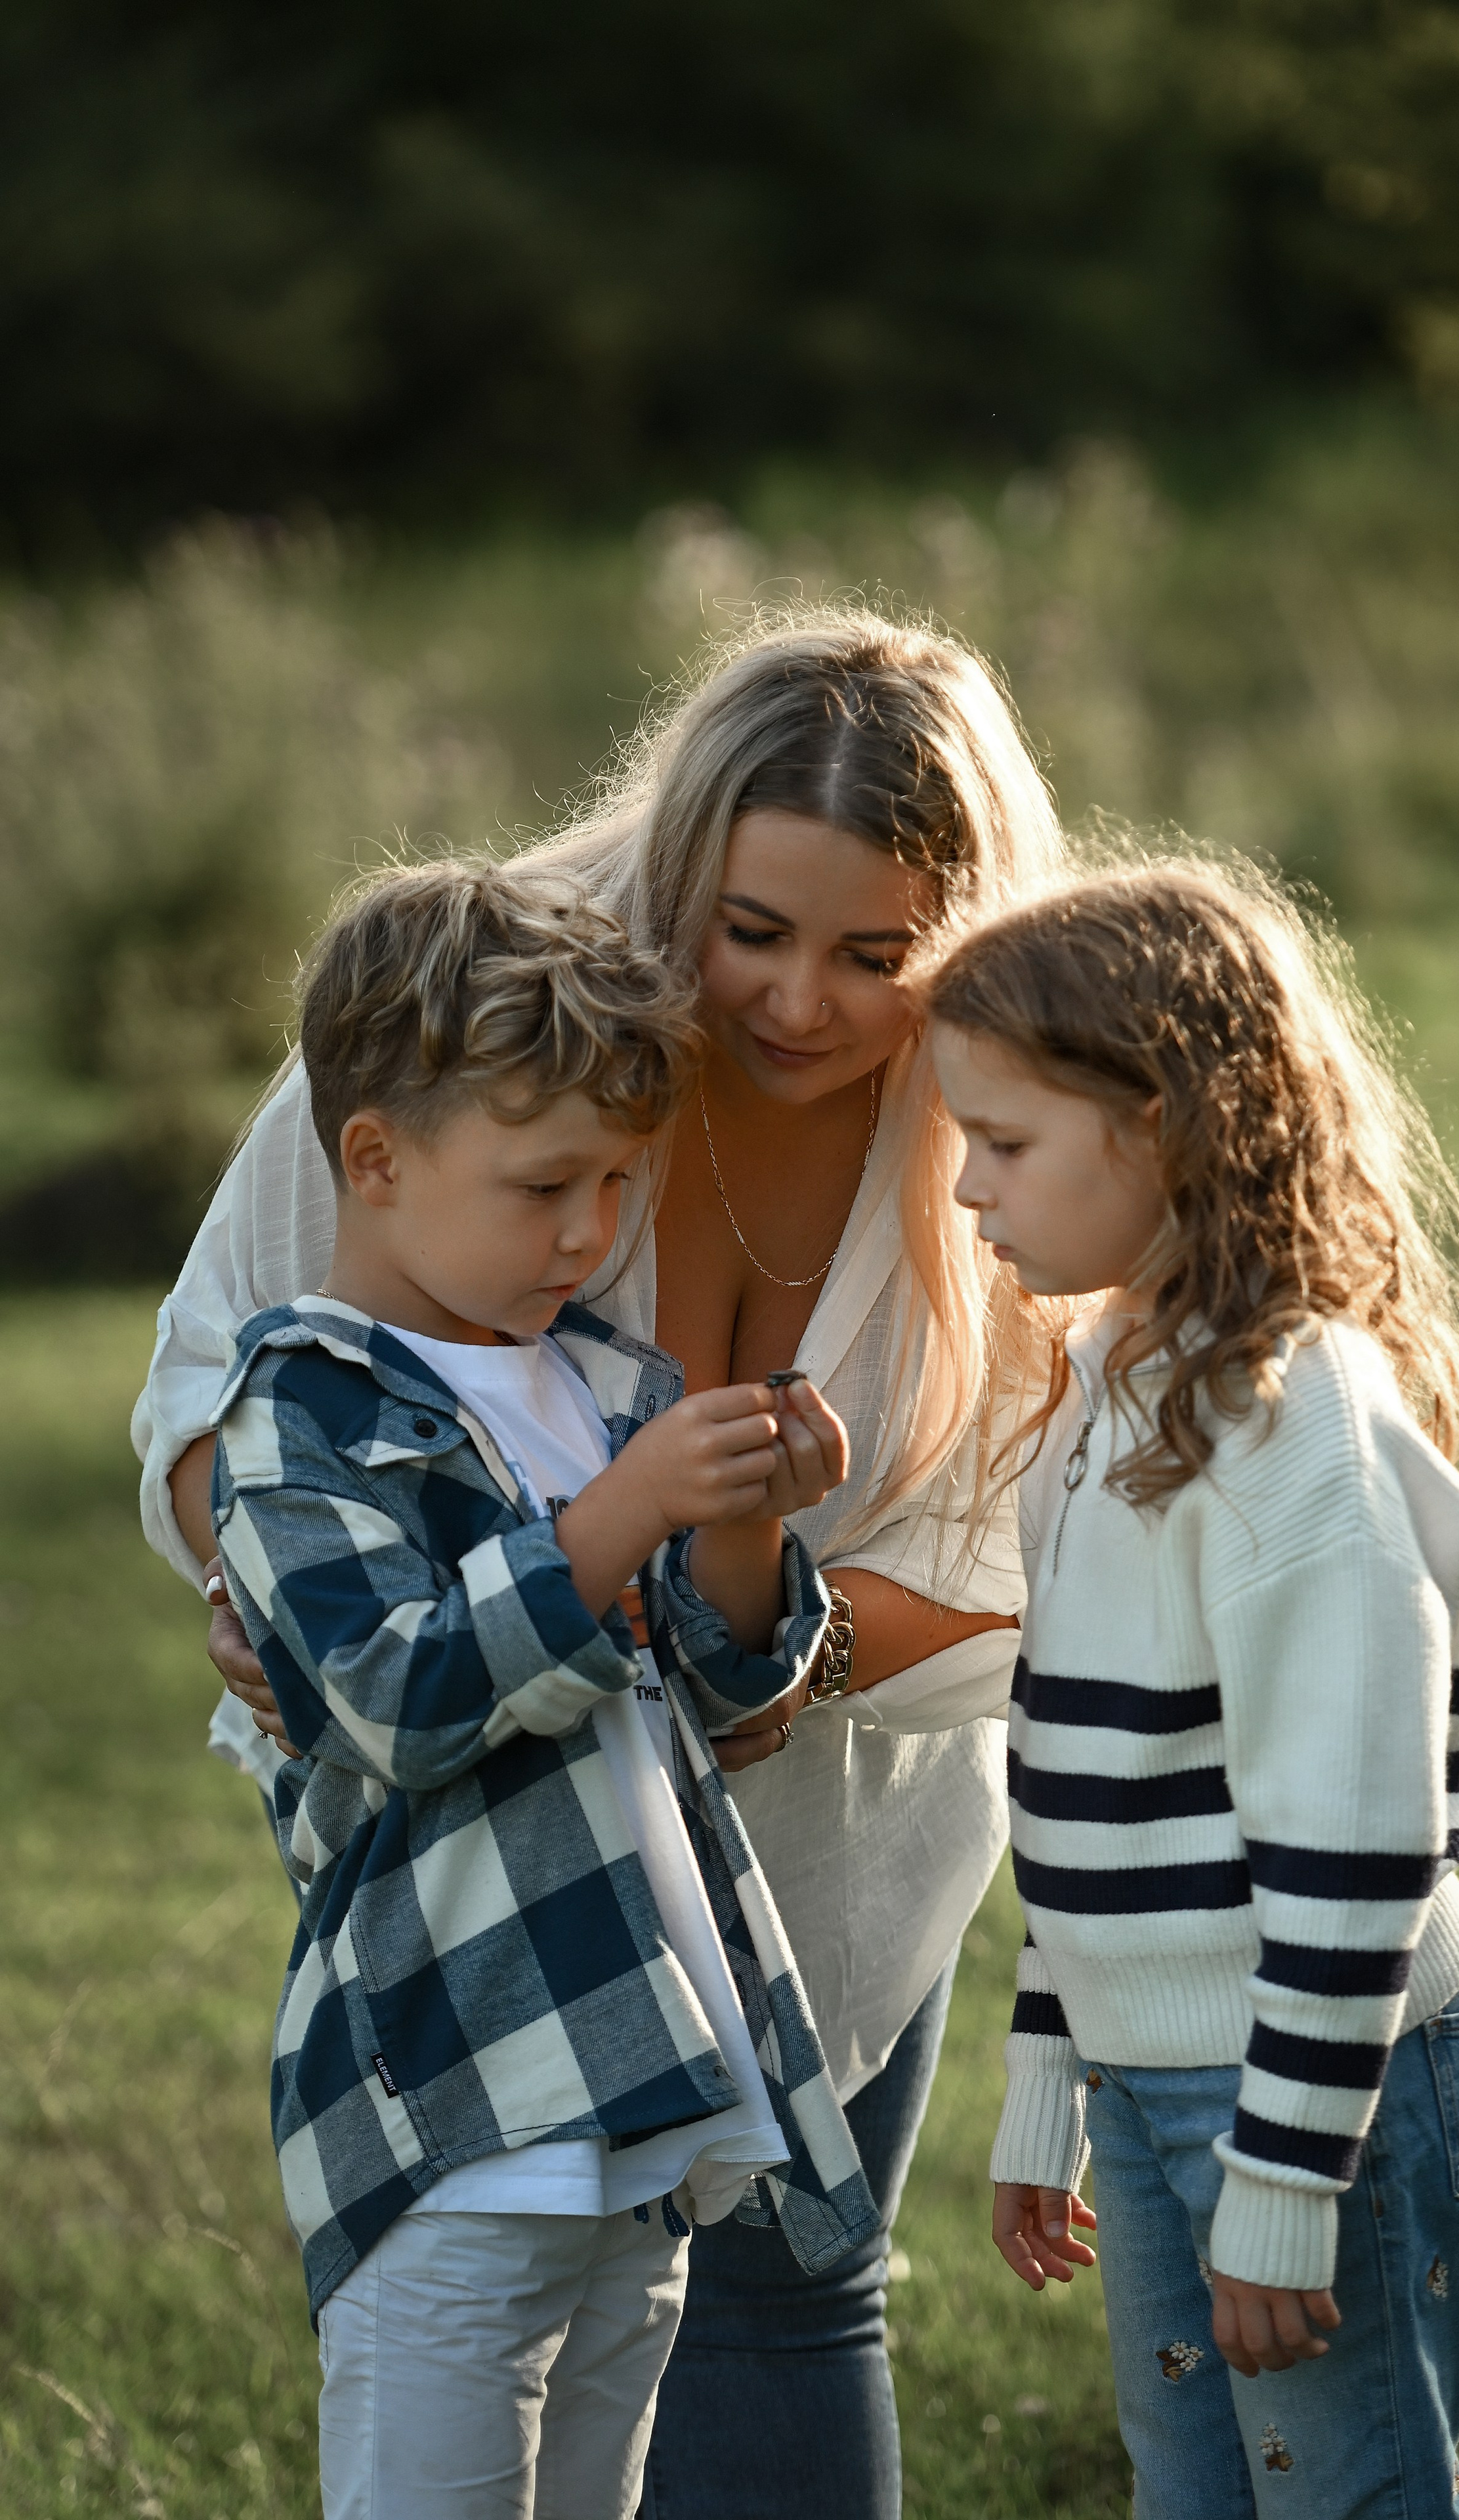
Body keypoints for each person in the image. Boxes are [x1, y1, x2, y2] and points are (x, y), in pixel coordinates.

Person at [133, 606, 1067, 2520]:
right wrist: (277, 1585)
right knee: (482, 2323)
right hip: (499, 1852)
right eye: (752, 935)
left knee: (790, 2300)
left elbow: (1066, 1552)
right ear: (673, 883)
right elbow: (229, 1373)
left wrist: (754, 1600)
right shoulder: (505, 1005)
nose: (801, 1002)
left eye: (876, 957)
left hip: (841, 1813)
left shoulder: (1031, 1089)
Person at [214, 856, 871, 2519]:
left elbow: (723, 1694)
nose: (587, 1233)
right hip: (453, 2110)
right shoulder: (306, 1411)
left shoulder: (602, 1384)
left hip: (636, 2097)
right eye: (540, 1186)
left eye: (616, 1184)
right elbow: (396, 1700)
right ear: (373, 1158)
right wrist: (621, 1513)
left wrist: (743, 1529)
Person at [925, 858, 1459, 2519]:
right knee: (1193, 2487)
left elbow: (1354, 1842)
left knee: (1344, 2494)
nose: (969, 1191)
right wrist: (1052, 2080)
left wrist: (1277, 2185)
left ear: (1166, 1126)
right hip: (1159, 2080)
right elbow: (1085, 1793)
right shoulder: (1111, 1375)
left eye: (1007, 1143)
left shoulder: (1283, 1431)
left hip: (1325, 2079)